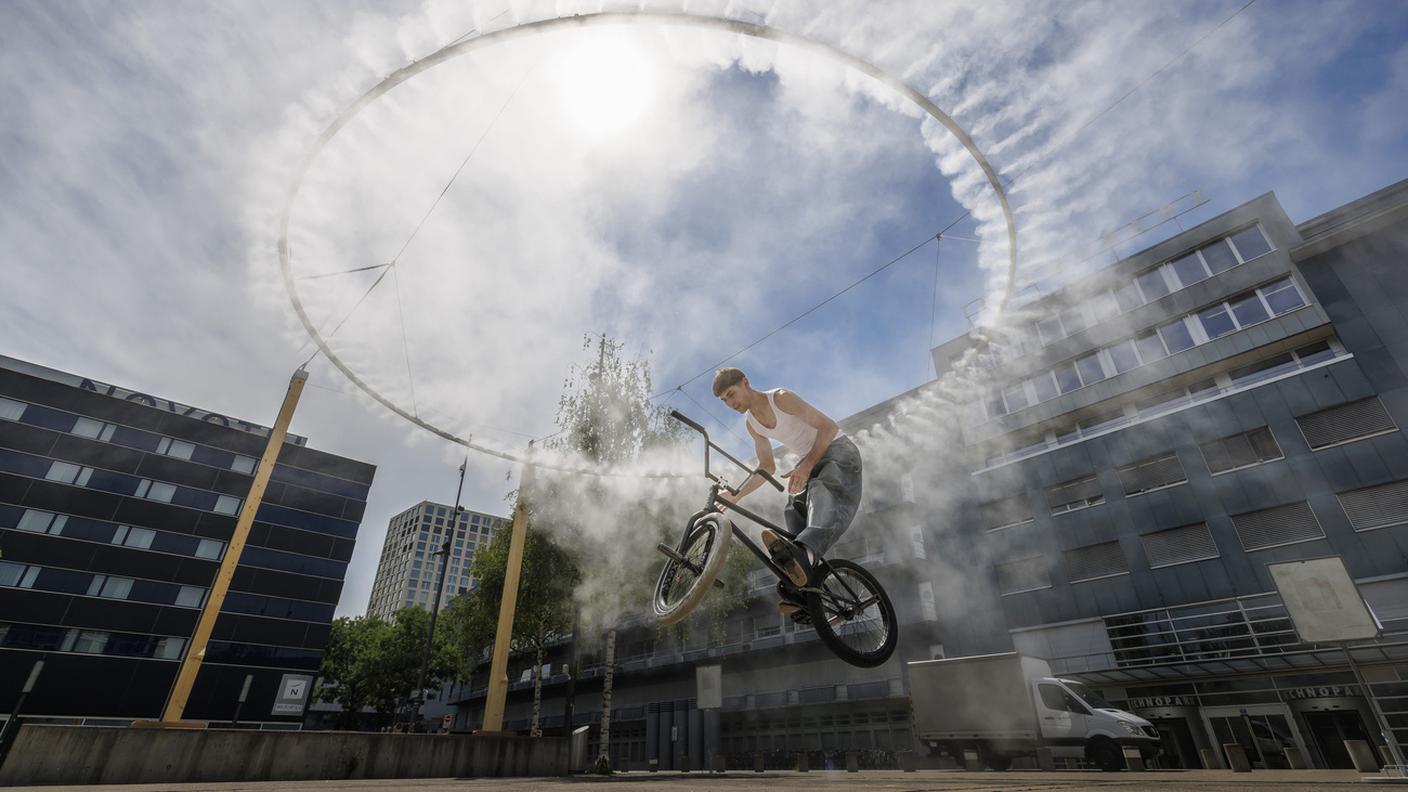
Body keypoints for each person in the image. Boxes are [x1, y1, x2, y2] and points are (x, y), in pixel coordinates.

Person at [711, 367, 863, 618]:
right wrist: (736, 495)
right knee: (793, 510)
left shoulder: (781, 398)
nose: (731, 403)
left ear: (745, 382)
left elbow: (828, 426)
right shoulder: (753, 425)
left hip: (838, 450)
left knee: (820, 490)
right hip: (809, 461)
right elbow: (767, 466)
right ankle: (806, 589)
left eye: (731, 394)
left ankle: (804, 557)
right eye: (724, 401)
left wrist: (805, 467)